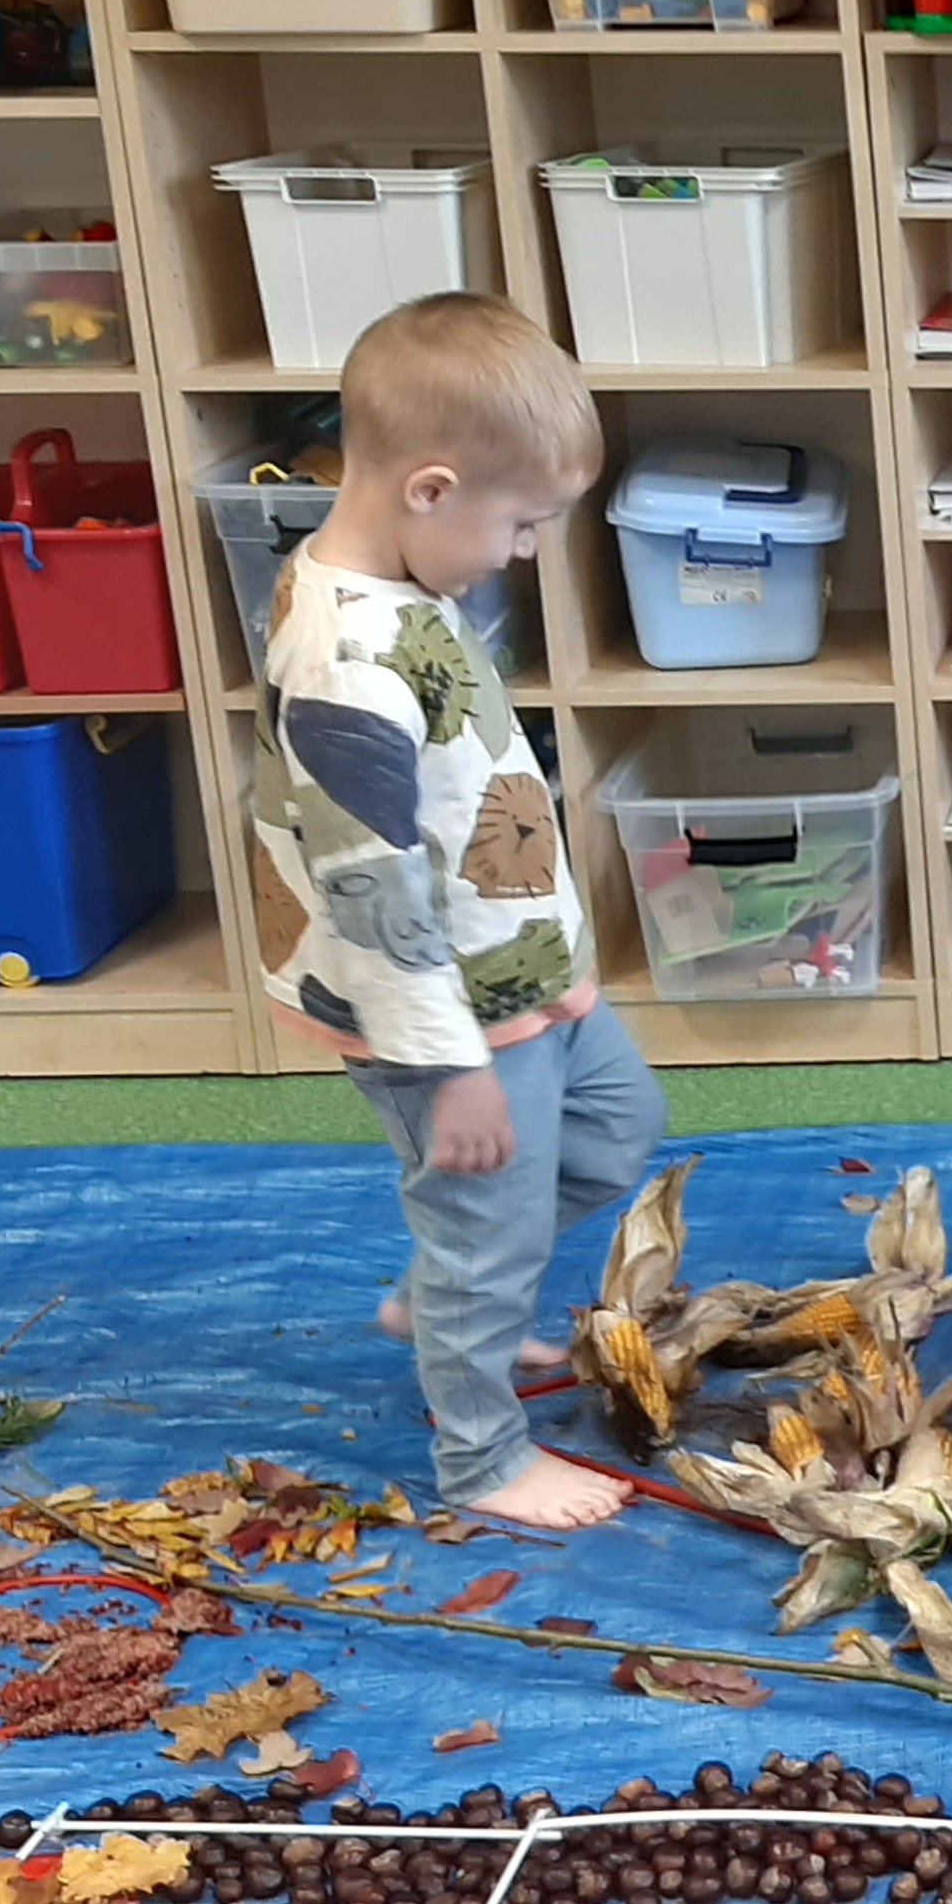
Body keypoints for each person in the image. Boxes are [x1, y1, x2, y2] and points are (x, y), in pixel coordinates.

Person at [244, 293, 665, 1533]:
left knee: (616, 1130)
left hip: (514, 978)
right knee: (490, 1229)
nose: (525, 551)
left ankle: (447, 1291)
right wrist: (453, 1069)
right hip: (446, 1023)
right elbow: (373, 889)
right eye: (521, 523)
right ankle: (483, 1456)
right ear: (429, 489)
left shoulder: (395, 577)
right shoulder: (347, 665)